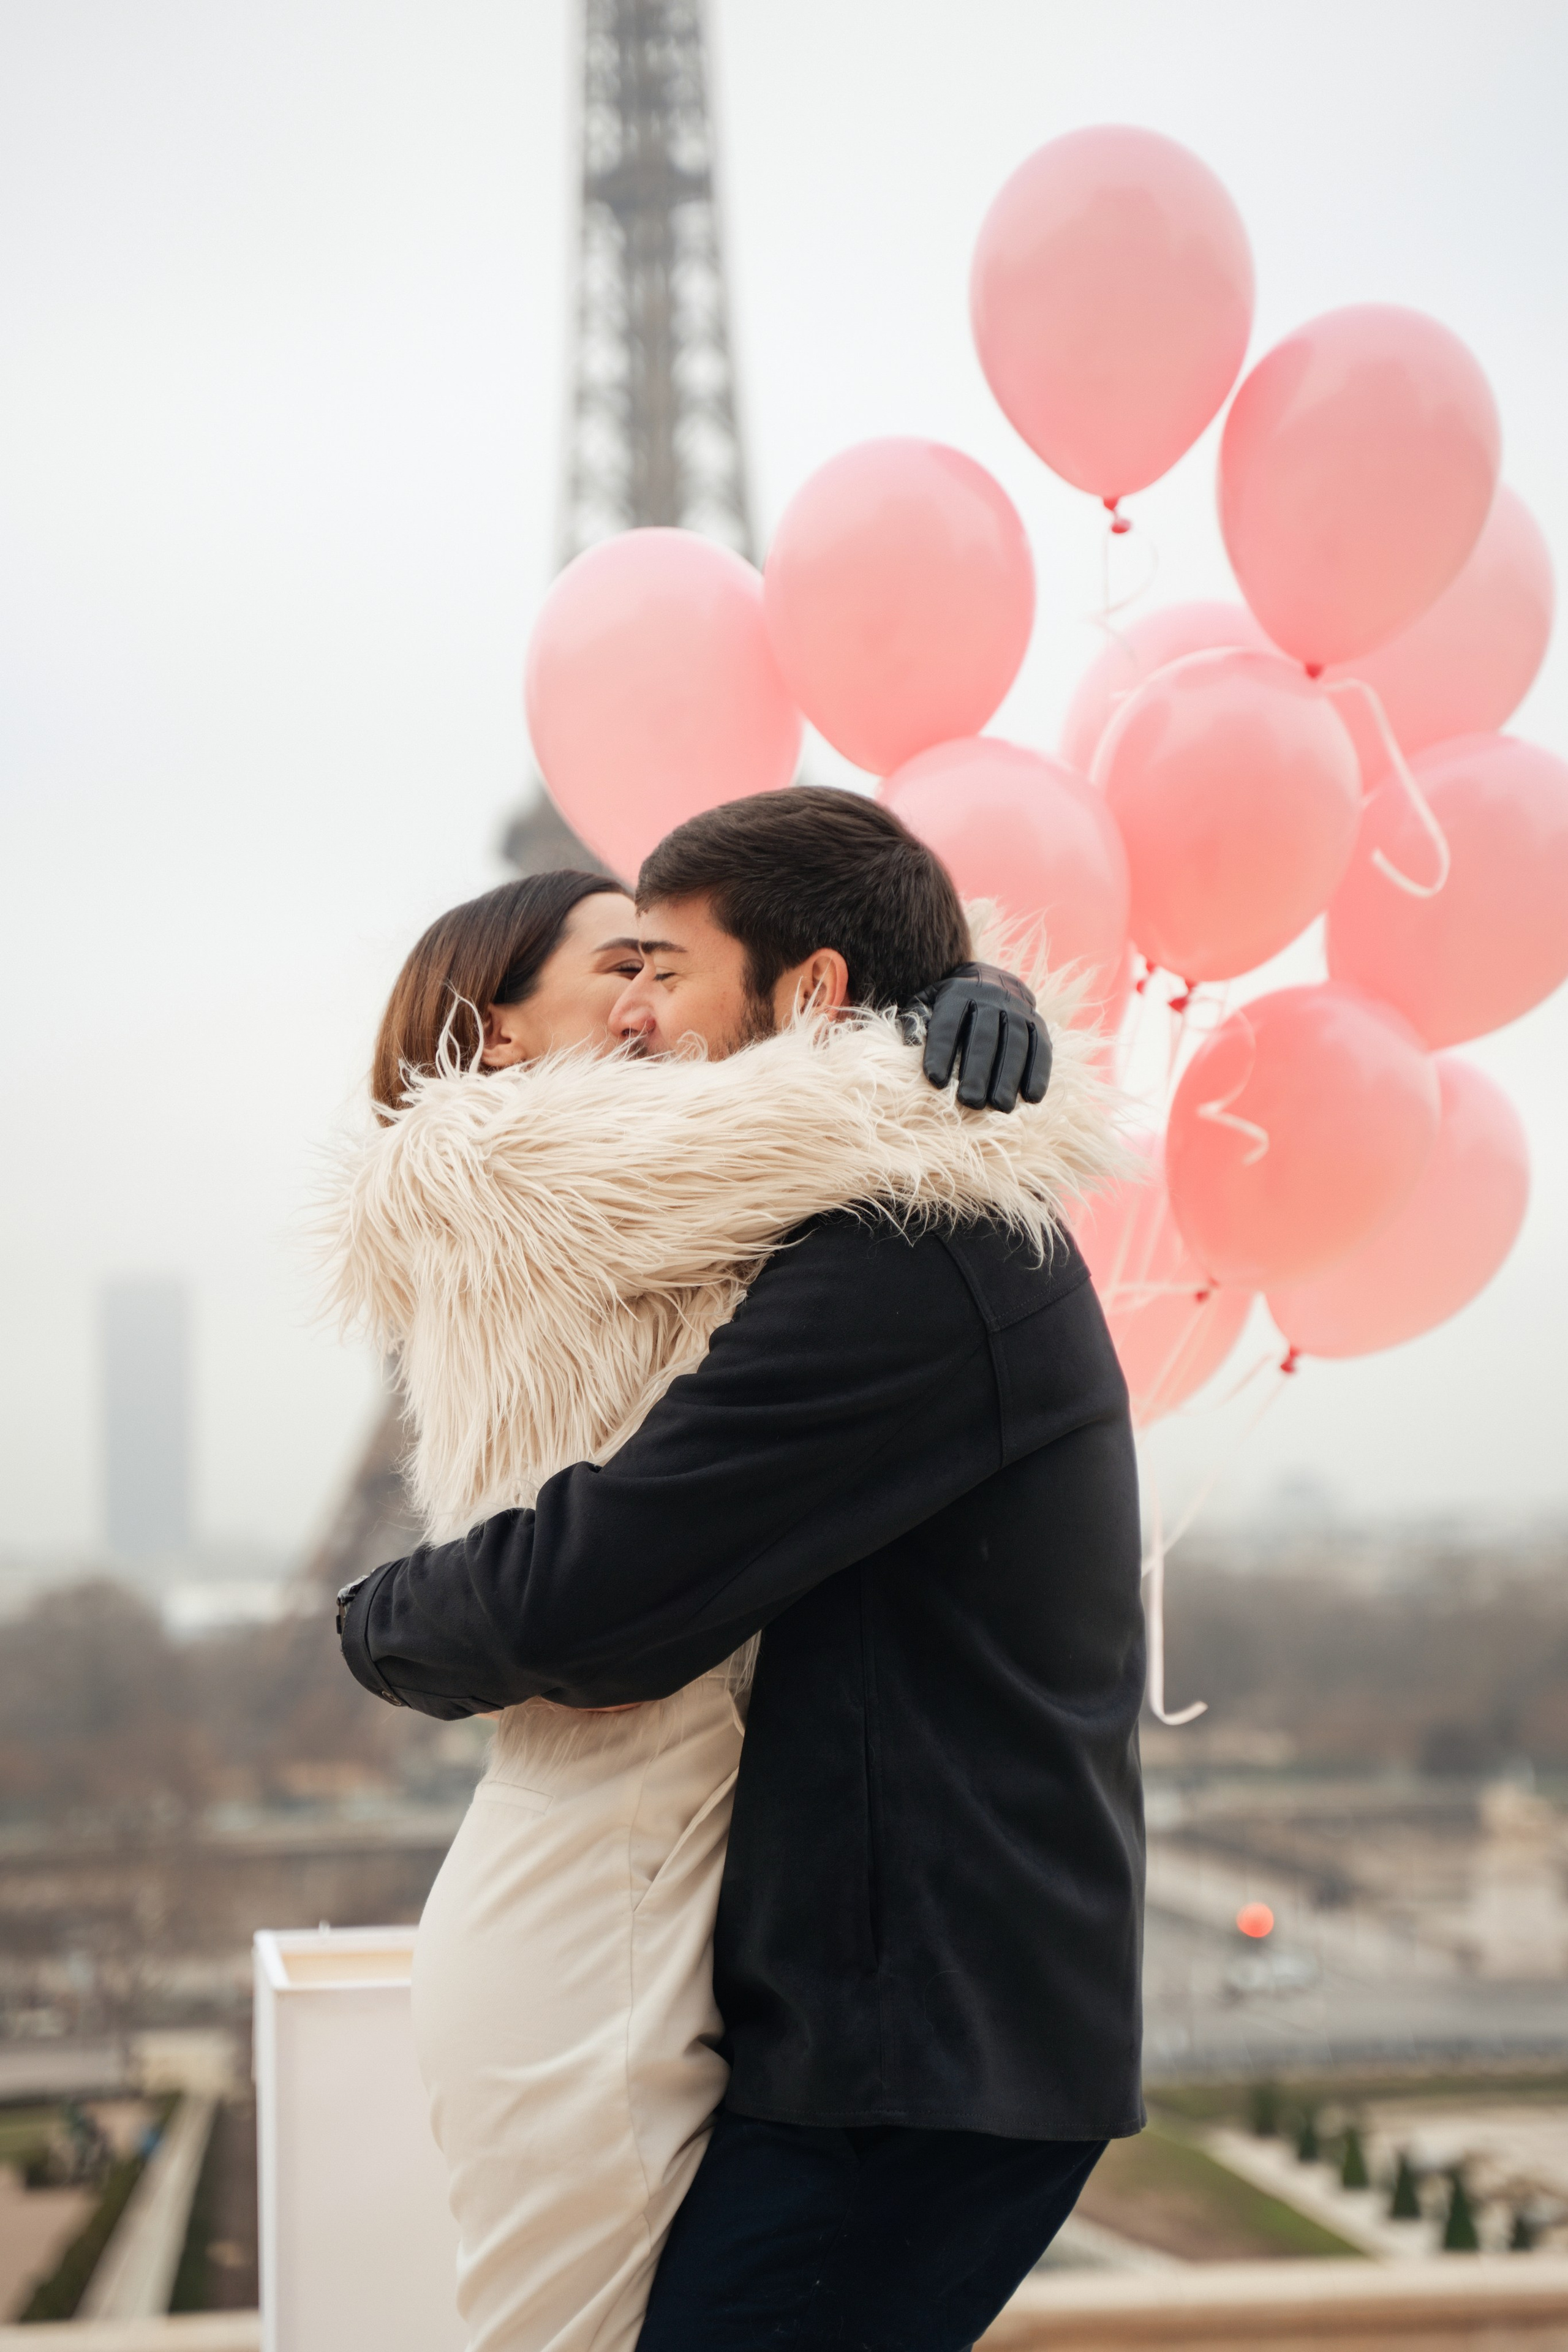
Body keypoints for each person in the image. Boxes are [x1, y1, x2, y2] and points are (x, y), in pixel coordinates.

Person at [326, 804, 1093, 2352]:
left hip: (889, 2037)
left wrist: (943, 1016)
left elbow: (589, 1593)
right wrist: (926, 1041)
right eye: (619, 970)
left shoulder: (896, 1240)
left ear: (801, 994)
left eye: (661, 970)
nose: (643, 1011)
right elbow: (587, 1589)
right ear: (490, 1041)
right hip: (697, 1949)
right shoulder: (577, 1200)